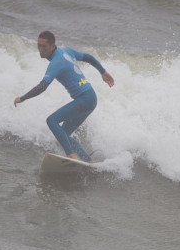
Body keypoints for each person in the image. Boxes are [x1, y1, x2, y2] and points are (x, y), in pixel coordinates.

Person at [14, 31, 114, 162]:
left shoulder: (56, 62)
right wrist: (103, 71)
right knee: (64, 134)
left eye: (44, 46)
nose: (40, 49)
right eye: (39, 46)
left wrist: (22, 98)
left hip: (85, 99)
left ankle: (70, 155)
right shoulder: (67, 51)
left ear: (52, 46)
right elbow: (88, 57)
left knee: (52, 121)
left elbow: (42, 86)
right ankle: (87, 160)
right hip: (90, 98)